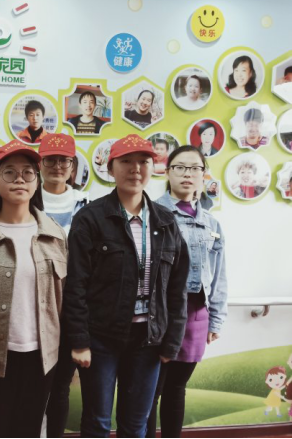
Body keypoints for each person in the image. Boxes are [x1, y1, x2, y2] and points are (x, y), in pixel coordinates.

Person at [64, 134, 190, 438]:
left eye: (143, 161)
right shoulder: (91, 218)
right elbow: (76, 283)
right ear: (111, 168)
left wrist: (172, 342)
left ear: (153, 168)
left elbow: (177, 287)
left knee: (136, 425)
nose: (135, 168)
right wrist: (79, 341)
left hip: (148, 339)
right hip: (101, 337)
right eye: (126, 161)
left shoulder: (165, 221)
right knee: (97, 422)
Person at [0, 140, 68, 438]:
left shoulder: (55, 235)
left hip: (41, 358)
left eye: (27, 172)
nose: (19, 179)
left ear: (37, 181)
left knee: (29, 430)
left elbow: (65, 300)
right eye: (9, 172)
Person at [148, 145, 228, 439]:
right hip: (157, 313)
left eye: (195, 168)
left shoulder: (212, 223)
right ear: (167, 172)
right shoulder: (150, 214)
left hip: (195, 316)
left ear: (204, 174)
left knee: (176, 388)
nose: (187, 174)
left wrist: (216, 319)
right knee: (149, 390)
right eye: (180, 167)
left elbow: (219, 274)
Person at [38, 134, 88, 438]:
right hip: (36, 307)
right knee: (34, 386)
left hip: (74, 308)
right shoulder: (27, 199)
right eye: (50, 160)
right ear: (40, 164)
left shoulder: (86, 204)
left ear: (72, 166)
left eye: (64, 160)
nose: (57, 166)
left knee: (60, 388)